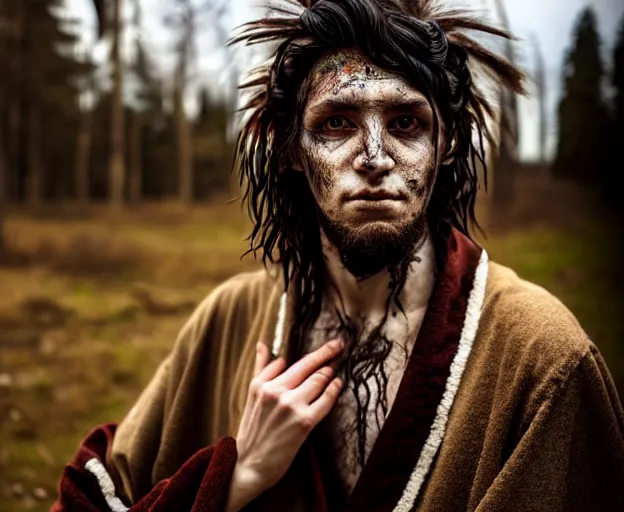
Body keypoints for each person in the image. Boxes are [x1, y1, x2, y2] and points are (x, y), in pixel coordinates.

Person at [51, 1, 624, 510]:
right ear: (293, 151)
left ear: (445, 143)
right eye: (337, 123)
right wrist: (234, 476)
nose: (374, 157)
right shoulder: (227, 321)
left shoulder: (545, 360)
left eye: (405, 122)